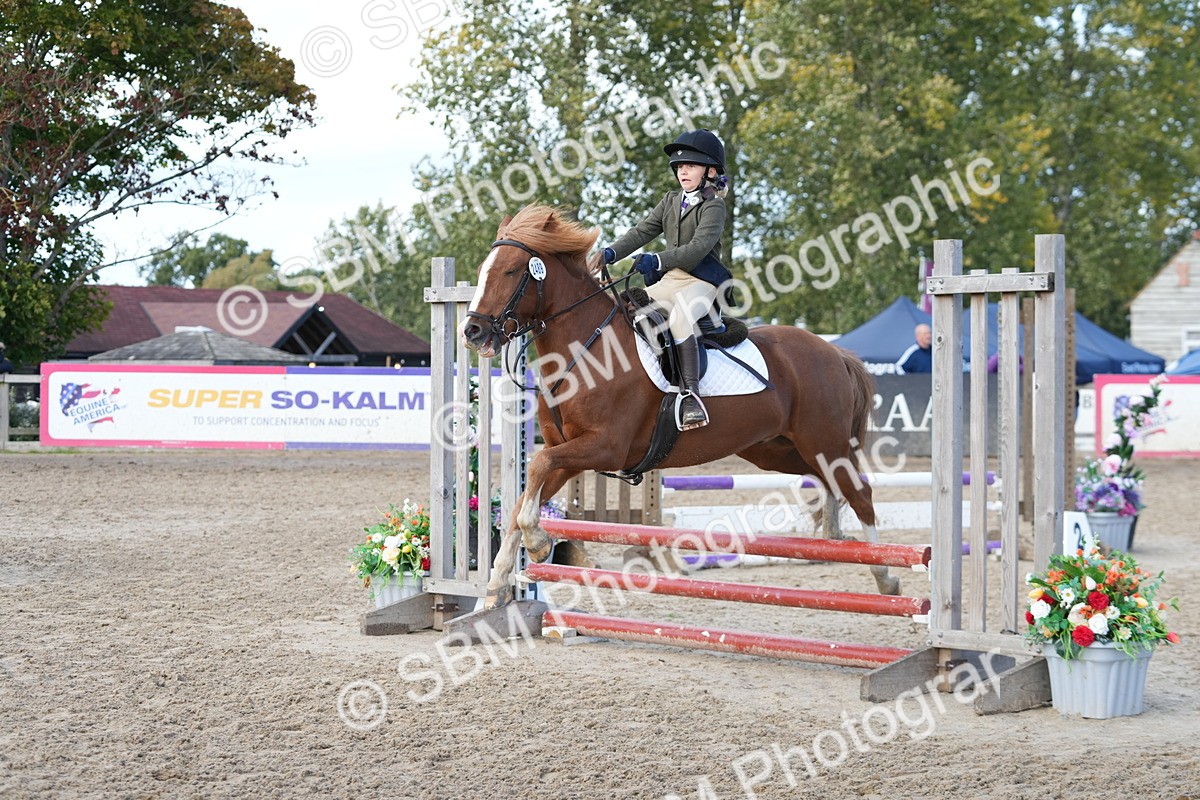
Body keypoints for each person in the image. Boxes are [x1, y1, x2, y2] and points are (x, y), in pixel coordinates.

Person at [601, 129, 733, 430]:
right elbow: (642, 231)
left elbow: (699, 248)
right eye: (679, 166)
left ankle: (691, 398)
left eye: (691, 165)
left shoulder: (714, 205)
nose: (682, 170)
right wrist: (611, 252)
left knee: (679, 320)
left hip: (702, 283)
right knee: (627, 311)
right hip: (671, 280)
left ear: (710, 171)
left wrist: (657, 259)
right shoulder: (671, 200)